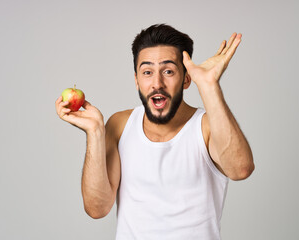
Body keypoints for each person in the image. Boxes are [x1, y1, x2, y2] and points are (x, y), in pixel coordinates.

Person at [55, 24, 254, 240]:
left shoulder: (206, 126)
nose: (157, 83)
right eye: (147, 72)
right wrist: (94, 133)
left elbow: (240, 169)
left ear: (186, 79)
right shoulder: (120, 125)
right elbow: (97, 208)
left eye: (168, 71)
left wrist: (208, 85)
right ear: (137, 80)